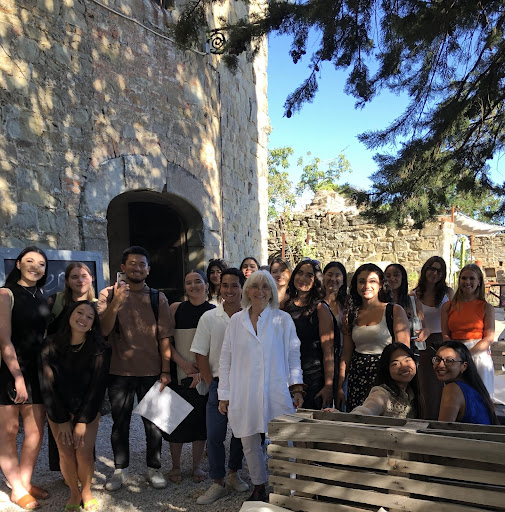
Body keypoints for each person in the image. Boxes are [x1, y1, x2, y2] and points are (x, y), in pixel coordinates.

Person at [218, 270, 304, 502]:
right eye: (255, 287)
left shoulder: (282, 320)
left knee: (283, 438)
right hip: (243, 391)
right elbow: (226, 359)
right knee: (249, 441)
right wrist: (224, 395)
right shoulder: (237, 321)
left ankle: (288, 486)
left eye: (266, 287)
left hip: (276, 389)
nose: (260, 292)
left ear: (272, 292)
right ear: (247, 291)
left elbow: (293, 355)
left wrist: (296, 387)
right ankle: (259, 485)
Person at [98, 246, 174, 491]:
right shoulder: (108, 295)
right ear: (123, 267)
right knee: (119, 424)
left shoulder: (157, 297)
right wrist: (117, 301)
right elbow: (104, 330)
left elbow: (164, 338)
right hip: (118, 371)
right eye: (132, 263)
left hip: (152, 371)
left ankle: (154, 468)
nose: (137, 268)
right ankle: (120, 470)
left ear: (148, 269)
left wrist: (166, 371)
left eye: (142, 264)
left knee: (154, 424)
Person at [39, 301, 111, 511]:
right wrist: (60, 420)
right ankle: (73, 491)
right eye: (80, 313)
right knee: (65, 452)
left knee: (83, 452)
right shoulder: (48, 345)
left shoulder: (101, 348)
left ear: (93, 324)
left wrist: (81, 421)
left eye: (90, 317)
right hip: (57, 406)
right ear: (69, 315)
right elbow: (47, 384)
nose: (83, 318)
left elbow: (98, 388)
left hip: (87, 408)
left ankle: (86, 490)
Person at [190, 268, 249, 505]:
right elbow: (200, 353)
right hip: (217, 383)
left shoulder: (251, 316)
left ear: (242, 288)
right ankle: (218, 481)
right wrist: (209, 381)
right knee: (214, 434)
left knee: (240, 433)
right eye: (225, 285)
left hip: (244, 384)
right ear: (219, 288)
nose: (229, 290)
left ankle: (234, 473)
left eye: (234, 285)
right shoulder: (209, 317)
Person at [0, 246, 51, 510]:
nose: (35, 266)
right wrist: (17, 376)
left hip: (37, 371)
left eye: (41, 263)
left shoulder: (42, 295)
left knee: (34, 432)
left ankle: (25, 482)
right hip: (10, 371)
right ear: (18, 264)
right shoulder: (6, 294)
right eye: (29, 261)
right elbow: (4, 339)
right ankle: (16, 489)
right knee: (8, 432)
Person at [337, 263, 410, 411]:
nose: (366, 285)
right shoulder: (350, 315)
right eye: (362, 281)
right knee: (358, 418)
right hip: (357, 377)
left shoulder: (394, 311)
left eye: (372, 281)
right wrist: (339, 385)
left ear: (381, 284)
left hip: (385, 375)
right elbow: (346, 354)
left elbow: (403, 351)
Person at [165, 270, 215, 483]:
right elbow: (165, 342)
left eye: (197, 282)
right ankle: (175, 466)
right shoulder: (175, 309)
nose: (193, 286)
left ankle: (197, 467)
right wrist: (184, 365)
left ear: (206, 285)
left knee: (200, 424)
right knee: (174, 421)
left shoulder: (214, 312)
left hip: (204, 376)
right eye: (188, 283)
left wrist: (203, 374)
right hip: (179, 372)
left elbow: (217, 348)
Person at [284, 259, 335, 409]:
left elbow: (328, 350)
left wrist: (328, 386)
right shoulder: (285, 306)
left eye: (309, 275)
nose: (303, 278)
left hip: (313, 377)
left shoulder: (320, 308)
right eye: (300, 273)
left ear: (316, 281)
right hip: (289, 375)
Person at [325, 343, 423, 419]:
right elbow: (365, 411)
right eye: (395, 364)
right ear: (387, 369)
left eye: (407, 360)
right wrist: (342, 417)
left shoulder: (413, 393)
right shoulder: (382, 394)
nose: (404, 366)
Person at [441, 264, 495, 397]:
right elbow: (446, 334)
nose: (467, 282)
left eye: (472, 278)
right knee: (456, 396)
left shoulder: (486, 307)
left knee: (481, 397)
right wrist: (455, 355)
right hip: (455, 353)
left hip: (478, 353)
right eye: (464, 278)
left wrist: (467, 355)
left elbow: (489, 337)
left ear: (479, 282)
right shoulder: (448, 306)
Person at [433, 341, 498, 424]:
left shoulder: (452, 389)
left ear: (464, 366)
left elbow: (442, 430)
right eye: (438, 359)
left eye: (449, 361)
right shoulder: (474, 388)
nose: (441, 365)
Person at [47, 262, 97, 335]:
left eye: (84, 276)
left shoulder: (98, 306)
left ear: (92, 278)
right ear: (67, 281)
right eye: (74, 277)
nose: (80, 280)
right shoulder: (55, 301)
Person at [385, 263, 429, 344]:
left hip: (410, 349)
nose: (392, 278)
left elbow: (424, 327)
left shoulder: (413, 301)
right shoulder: (381, 302)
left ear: (403, 278)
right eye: (388, 276)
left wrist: (424, 332)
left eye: (396, 275)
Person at [322, 261, 347, 404]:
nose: (333, 279)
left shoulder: (348, 303)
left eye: (338, 275)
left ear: (343, 280)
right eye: (329, 274)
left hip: (344, 358)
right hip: (324, 358)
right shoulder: (316, 303)